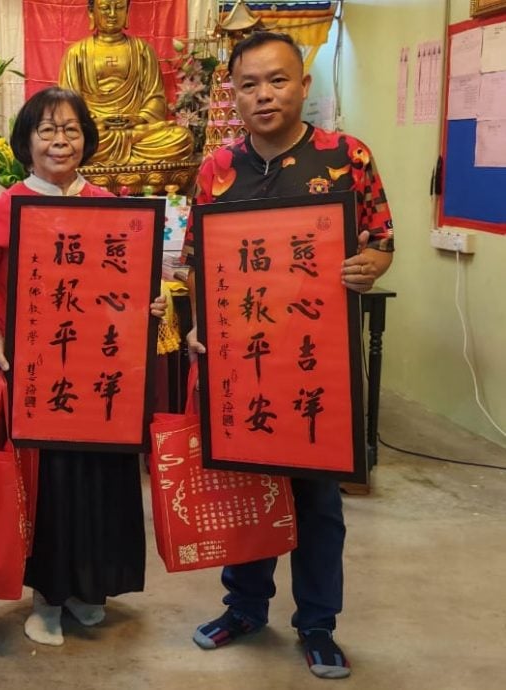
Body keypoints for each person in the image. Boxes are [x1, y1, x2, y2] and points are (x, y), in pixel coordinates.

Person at [183, 31, 394, 680]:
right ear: (233, 95)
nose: (263, 95)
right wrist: (196, 326)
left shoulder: (345, 156)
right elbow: (198, 258)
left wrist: (367, 265)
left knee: (315, 502)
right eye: (248, 85)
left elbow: (381, 241)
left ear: (303, 86)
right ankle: (244, 607)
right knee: (246, 490)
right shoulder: (217, 169)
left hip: (314, 364)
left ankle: (317, 624)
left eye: (276, 80)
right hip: (243, 362)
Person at [0, 86, 165, 646]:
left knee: (97, 483)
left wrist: (147, 301)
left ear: (87, 140)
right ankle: (47, 597)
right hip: (34, 376)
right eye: (47, 130)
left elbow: (125, 287)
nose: (60, 140)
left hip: (99, 374)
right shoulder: (2, 210)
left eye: (71, 130)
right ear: (26, 141)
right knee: (47, 487)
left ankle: (87, 588)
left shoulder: (109, 204)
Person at [57, 0, 193, 165]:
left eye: (119, 7)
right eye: (105, 8)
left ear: (127, 11)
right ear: (91, 12)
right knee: (74, 142)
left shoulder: (142, 50)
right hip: (97, 132)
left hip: (136, 131)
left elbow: (156, 98)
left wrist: (139, 119)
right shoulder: (76, 53)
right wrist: (93, 121)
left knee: (181, 138)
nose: (113, 14)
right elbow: (68, 104)